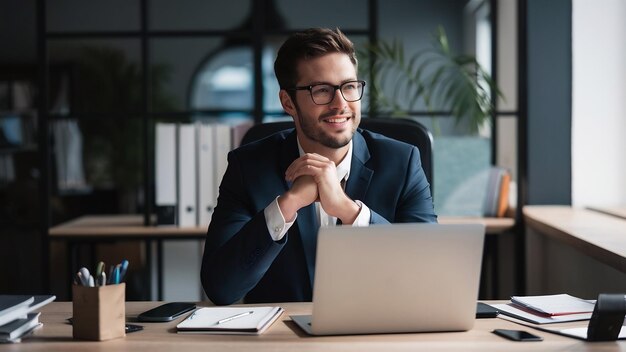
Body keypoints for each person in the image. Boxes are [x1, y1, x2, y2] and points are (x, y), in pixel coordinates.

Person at [201, 28, 437, 305]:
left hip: (377, 335)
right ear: (288, 102)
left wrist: (349, 210)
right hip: (283, 342)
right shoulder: (248, 168)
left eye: (349, 87)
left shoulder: (403, 161)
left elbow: (431, 275)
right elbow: (221, 289)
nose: (341, 104)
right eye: (321, 90)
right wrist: (286, 206)